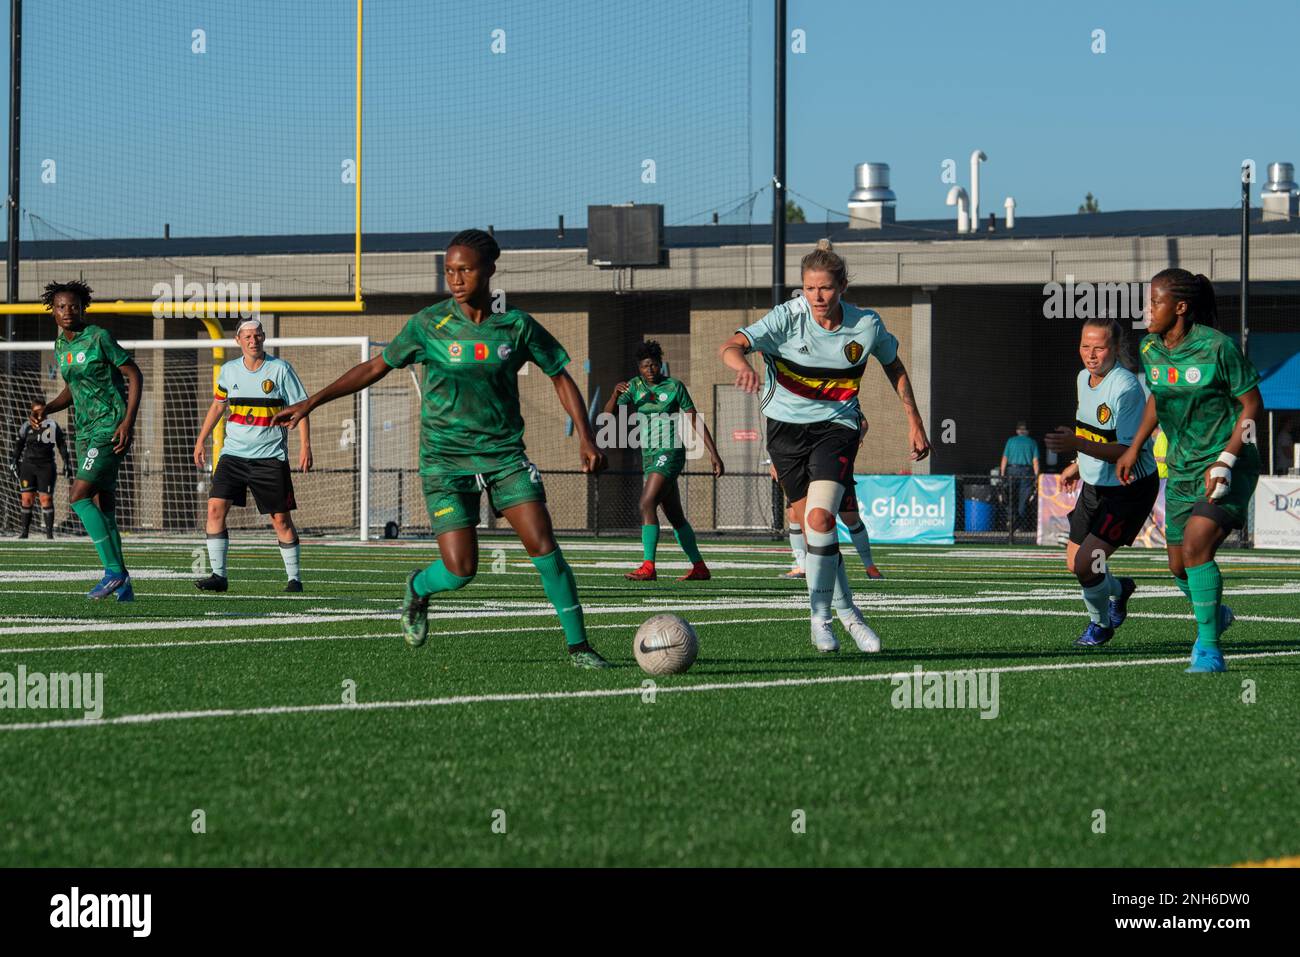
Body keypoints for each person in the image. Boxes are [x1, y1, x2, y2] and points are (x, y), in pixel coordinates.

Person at [273, 229, 613, 669]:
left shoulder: (516, 324)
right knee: (460, 570)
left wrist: (586, 437)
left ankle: (580, 648)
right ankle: (418, 588)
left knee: (544, 545)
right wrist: (311, 402)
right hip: (444, 461)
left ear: (489, 270)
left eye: (465, 269)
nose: (454, 278)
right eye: (449, 270)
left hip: (504, 456)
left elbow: (560, 375)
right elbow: (376, 366)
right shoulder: (427, 324)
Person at [720, 238, 930, 653]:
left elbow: (894, 366)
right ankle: (850, 614)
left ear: (843, 286)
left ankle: (821, 617)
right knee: (815, 530)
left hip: (837, 426)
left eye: (826, 288)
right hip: (784, 431)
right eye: (810, 288)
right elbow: (730, 345)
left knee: (820, 519)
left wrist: (914, 421)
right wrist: (742, 363)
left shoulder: (866, 325)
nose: (817, 296)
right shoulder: (786, 318)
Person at [1117, 269, 1264, 674]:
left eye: (1155, 302)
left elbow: (1253, 406)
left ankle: (1209, 649)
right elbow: (1158, 399)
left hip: (1228, 466)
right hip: (1181, 468)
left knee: (1198, 545)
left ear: (1180, 307)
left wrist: (1227, 460)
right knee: (1178, 565)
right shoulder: (1150, 348)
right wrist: (1134, 447)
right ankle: (1216, 614)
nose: (1148, 310)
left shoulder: (1219, 348)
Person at [1044, 317, 1159, 647]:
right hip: (1095, 486)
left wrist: (1076, 446)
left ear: (1116, 349)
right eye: (1085, 346)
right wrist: (1078, 464)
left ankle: (1100, 626)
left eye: (1099, 347)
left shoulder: (1126, 387)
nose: (1091, 355)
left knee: (1086, 565)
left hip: (1128, 488)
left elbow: (1126, 452)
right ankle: (1120, 589)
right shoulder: (1083, 378)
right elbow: (1091, 430)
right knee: (1075, 565)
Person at [192, 318, 312, 593]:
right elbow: (218, 406)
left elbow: (302, 408)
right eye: (247, 336)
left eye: (257, 335)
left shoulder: (280, 370)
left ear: (264, 338)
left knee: (280, 519)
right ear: (238, 341)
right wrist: (201, 441)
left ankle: (294, 579)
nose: (252, 340)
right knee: (214, 509)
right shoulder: (229, 371)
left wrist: (305, 445)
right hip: (232, 455)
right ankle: (218, 576)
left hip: (270, 458)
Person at [39, 280, 142, 600]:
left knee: (77, 496)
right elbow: (73, 388)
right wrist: (48, 408)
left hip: (108, 427)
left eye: (73, 306)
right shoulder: (61, 346)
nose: (67, 311)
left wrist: (128, 421)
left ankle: (113, 572)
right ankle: (123, 584)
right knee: (103, 505)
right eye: (61, 306)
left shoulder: (99, 337)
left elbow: (134, 374)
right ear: (52, 311)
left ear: (83, 307)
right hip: (82, 431)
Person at [605, 339, 723, 581]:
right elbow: (607, 416)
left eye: (654, 365)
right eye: (645, 366)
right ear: (639, 368)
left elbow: (694, 419)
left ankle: (648, 566)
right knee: (675, 516)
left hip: (670, 451)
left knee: (646, 502)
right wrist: (613, 394)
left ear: (661, 365)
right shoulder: (633, 388)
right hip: (649, 456)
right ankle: (699, 567)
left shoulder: (674, 386)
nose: (650, 370)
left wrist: (714, 453)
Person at [776, 413, 883, 580]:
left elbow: (863, 422)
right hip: (801, 464)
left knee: (850, 518)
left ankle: (870, 566)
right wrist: (776, 461)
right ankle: (802, 566)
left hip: (830, 462)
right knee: (794, 515)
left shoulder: (836, 398)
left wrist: (854, 439)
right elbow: (781, 430)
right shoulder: (793, 402)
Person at [9, 399, 72, 539]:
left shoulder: (52, 426)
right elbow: (19, 445)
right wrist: (13, 461)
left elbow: (62, 445)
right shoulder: (26, 426)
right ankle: (24, 533)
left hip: (46, 466)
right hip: (28, 466)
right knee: (26, 499)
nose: (39, 414)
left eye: (42, 411)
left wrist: (67, 462)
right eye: (36, 411)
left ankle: (49, 535)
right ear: (32, 411)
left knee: (46, 499)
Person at [999, 421, 1039, 531]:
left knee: (1009, 497)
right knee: (1023, 500)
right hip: (1026, 472)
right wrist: (1036, 477)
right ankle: (1020, 526)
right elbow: (1035, 462)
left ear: (1017, 431)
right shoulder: (1032, 442)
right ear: (1027, 431)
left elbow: (1004, 459)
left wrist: (1002, 475)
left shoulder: (1011, 441)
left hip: (1011, 471)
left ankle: (1011, 521)